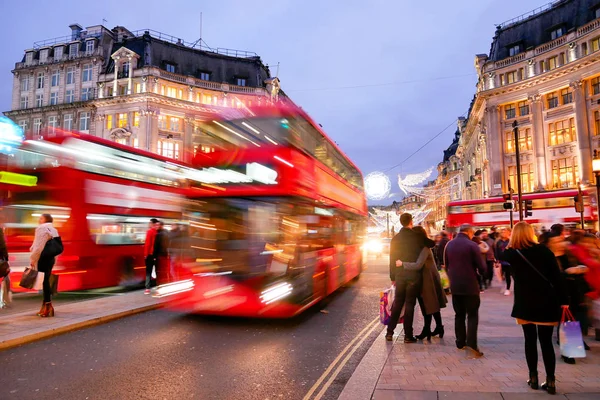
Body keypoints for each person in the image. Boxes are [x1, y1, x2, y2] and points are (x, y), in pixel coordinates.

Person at [501, 222, 567, 395]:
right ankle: (551, 380)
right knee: (546, 343)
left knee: (529, 340)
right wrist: (564, 300)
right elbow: (557, 277)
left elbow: (500, 254)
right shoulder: (544, 251)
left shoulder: (512, 253)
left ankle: (533, 377)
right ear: (532, 233)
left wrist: (511, 242)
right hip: (547, 301)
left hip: (525, 303)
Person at [444, 224, 486, 357]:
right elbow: (482, 267)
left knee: (459, 314)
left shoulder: (449, 245)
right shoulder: (472, 245)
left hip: (455, 286)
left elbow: (446, 265)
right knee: (472, 315)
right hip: (470, 285)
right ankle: (472, 344)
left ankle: (460, 342)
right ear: (469, 232)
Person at [399, 226, 447, 341]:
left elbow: (418, 264)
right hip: (427, 279)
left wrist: (402, 264)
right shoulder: (423, 246)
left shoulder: (425, 248)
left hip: (428, 281)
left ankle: (428, 329)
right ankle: (438, 327)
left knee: (428, 305)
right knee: (432, 305)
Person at [386, 213, 424, 343]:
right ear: (411, 222)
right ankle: (408, 335)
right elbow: (426, 249)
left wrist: (393, 276)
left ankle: (389, 333)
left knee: (398, 303)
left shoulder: (395, 238)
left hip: (400, 274)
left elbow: (391, 259)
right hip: (413, 275)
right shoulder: (417, 237)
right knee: (409, 304)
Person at [29, 214, 60, 318]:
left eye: (41, 218)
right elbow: (55, 246)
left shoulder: (41, 229)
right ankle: (46, 305)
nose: (39, 219)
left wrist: (33, 259)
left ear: (45, 220)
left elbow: (38, 246)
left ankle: (47, 307)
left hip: (42, 258)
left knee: (44, 281)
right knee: (46, 280)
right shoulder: (53, 229)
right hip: (51, 259)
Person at [143, 218, 159, 294]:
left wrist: (145, 255)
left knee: (148, 271)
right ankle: (157, 286)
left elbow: (147, 244)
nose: (149, 224)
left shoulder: (149, 231)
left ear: (152, 224)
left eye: (150, 223)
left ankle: (147, 288)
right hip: (156, 254)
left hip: (150, 254)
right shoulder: (157, 232)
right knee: (156, 271)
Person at [495, 227, 512, 296]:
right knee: (502, 275)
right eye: (502, 232)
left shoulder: (510, 240)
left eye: (505, 231)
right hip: (501, 261)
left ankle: (508, 289)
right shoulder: (498, 242)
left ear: (509, 232)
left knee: (508, 275)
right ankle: (505, 286)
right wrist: (496, 260)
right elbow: (496, 251)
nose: (503, 233)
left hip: (508, 261)